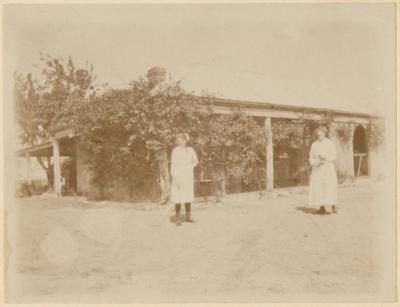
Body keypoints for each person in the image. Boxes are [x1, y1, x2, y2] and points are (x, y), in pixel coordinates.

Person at [170, 133, 199, 226]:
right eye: (179, 140)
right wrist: (174, 176)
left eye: (183, 140)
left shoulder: (190, 150)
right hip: (178, 176)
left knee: (188, 196)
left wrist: (190, 166)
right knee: (178, 197)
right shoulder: (175, 151)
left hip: (187, 176)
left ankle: (188, 216)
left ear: (186, 141)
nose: (181, 142)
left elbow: (196, 161)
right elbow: (173, 164)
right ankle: (178, 219)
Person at [308, 126, 338, 214]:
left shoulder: (330, 143)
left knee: (329, 186)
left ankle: (333, 205)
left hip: (328, 168)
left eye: (321, 133)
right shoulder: (314, 145)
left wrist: (325, 158)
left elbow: (334, 156)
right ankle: (321, 206)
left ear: (325, 133)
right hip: (318, 169)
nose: (319, 134)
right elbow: (311, 157)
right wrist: (316, 162)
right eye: (318, 133)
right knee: (319, 187)